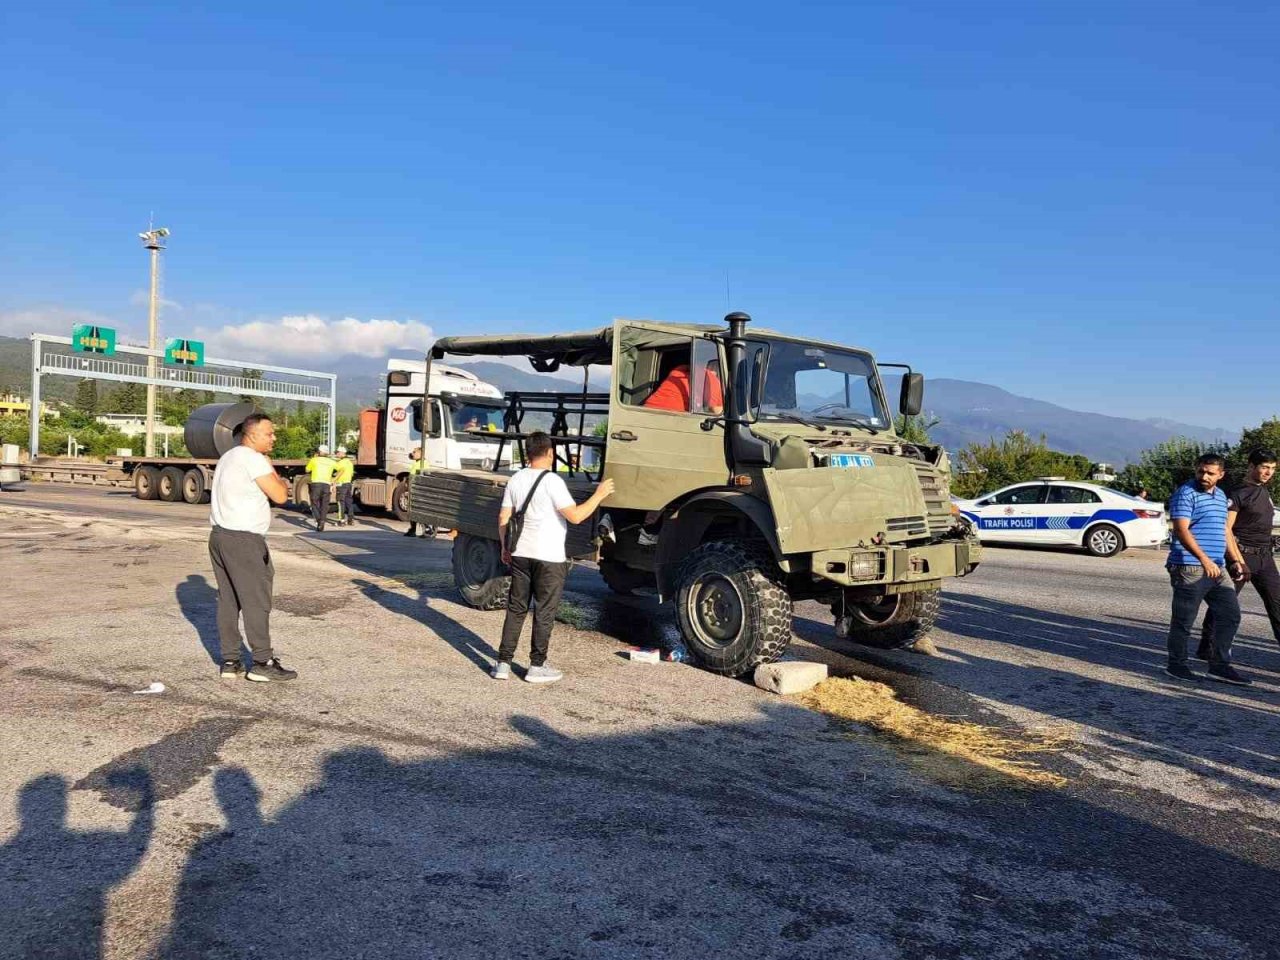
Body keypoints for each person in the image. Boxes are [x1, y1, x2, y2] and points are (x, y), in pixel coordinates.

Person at [493, 431, 614, 683]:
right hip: (549, 556)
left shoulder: (516, 479)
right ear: (549, 453)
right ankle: (536, 666)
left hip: (521, 553)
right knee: (544, 611)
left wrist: (506, 547)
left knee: (516, 609)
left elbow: (503, 518)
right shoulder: (552, 482)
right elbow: (576, 516)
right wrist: (599, 495)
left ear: (527, 453)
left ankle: (503, 664)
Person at [209, 412, 296, 682]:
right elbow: (280, 495)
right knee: (256, 600)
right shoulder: (253, 459)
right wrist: (271, 468)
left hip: (220, 536)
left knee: (229, 600)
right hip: (244, 541)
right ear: (252, 434)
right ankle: (262, 661)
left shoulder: (229, 456)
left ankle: (230, 660)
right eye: (269, 433)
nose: (274, 438)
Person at [1164, 453, 1246, 685]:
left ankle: (1219, 665)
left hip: (1217, 567)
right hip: (1189, 566)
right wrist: (1203, 559)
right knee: (1184, 620)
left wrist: (1235, 559)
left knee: (1230, 615)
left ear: (1221, 475)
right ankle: (1176, 665)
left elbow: (1224, 530)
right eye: (1201, 471)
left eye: (1210, 473)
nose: (1204, 476)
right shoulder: (1186, 493)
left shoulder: (1220, 496)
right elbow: (1181, 530)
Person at [1201, 449, 1280, 657]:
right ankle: (1207, 647)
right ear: (1251, 466)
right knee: (1224, 603)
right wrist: (1237, 560)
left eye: (1272, 469)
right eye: (1264, 467)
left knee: (1277, 604)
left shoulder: (1263, 491)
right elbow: (1226, 528)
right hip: (1242, 555)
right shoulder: (1238, 492)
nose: (1268, 472)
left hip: (1265, 557)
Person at [642, 361, 723, 413]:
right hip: (668, 415)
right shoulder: (710, 378)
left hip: (646, 410)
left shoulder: (679, 370)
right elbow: (714, 411)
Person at [304, 444, 337, 532]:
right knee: (324, 504)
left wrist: (314, 459)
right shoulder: (331, 461)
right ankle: (322, 521)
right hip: (326, 484)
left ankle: (319, 520)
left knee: (314, 502)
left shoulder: (314, 460)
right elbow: (341, 469)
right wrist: (334, 481)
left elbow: (307, 470)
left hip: (316, 484)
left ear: (319, 452)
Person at [403, 447, 432, 538]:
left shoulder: (422, 463)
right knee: (414, 510)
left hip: (418, 490)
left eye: (414, 452)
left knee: (417, 510)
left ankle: (427, 529)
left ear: (420, 454)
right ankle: (414, 529)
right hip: (416, 489)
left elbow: (416, 477)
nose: (412, 453)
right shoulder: (419, 462)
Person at [333, 446, 355, 525]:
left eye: (338, 453)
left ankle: (341, 520)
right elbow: (351, 473)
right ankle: (350, 520)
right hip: (348, 484)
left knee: (340, 502)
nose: (336, 454)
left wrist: (333, 480)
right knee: (349, 502)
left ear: (342, 453)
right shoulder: (349, 463)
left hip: (341, 484)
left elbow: (337, 471)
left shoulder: (340, 463)